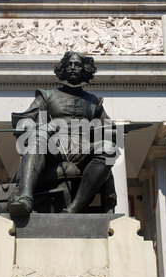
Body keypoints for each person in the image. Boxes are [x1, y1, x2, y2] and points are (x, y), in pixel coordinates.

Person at [8, 51, 118, 216]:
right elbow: (25, 121)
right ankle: (25, 198)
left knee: (108, 149)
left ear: (85, 69)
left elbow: (109, 128)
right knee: (38, 137)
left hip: (82, 151)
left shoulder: (95, 102)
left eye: (77, 65)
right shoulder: (46, 96)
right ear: (63, 69)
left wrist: (109, 131)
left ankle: (74, 208)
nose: (73, 67)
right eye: (69, 64)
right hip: (52, 148)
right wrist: (36, 127)